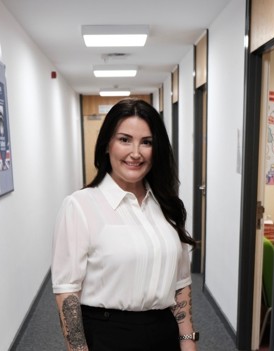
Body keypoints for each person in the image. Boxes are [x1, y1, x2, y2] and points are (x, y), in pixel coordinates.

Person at [52, 99, 199, 351]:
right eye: (124, 139)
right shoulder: (80, 206)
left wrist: (188, 343)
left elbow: (181, 284)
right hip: (107, 336)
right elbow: (67, 293)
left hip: (164, 333)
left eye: (146, 142)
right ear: (107, 145)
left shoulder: (166, 205)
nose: (135, 152)